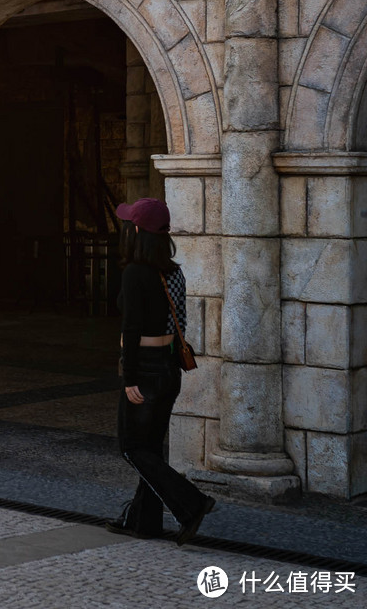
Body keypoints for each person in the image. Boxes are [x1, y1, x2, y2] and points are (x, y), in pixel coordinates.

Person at [106, 196, 215, 545]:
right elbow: (177, 319)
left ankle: (191, 503)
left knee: (131, 447)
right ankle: (142, 520)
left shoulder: (135, 273)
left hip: (148, 370)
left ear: (138, 230)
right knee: (150, 448)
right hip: (169, 368)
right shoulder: (173, 271)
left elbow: (131, 329)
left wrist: (129, 377)